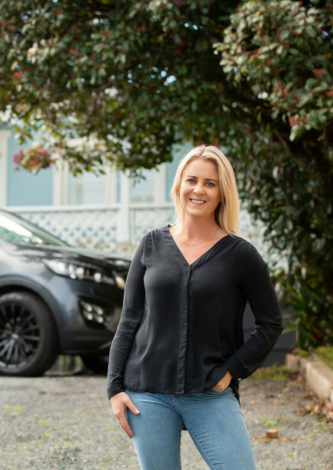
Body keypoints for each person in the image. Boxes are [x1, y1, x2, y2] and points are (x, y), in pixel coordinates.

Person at [107, 145, 283, 470]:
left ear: (221, 193)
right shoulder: (151, 245)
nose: (199, 190)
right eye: (192, 180)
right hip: (148, 393)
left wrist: (232, 369)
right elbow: (130, 320)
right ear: (179, 186)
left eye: (210, 183)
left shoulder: (241, 255)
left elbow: (271, 323)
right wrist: (115, 389)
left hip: (210, 392)